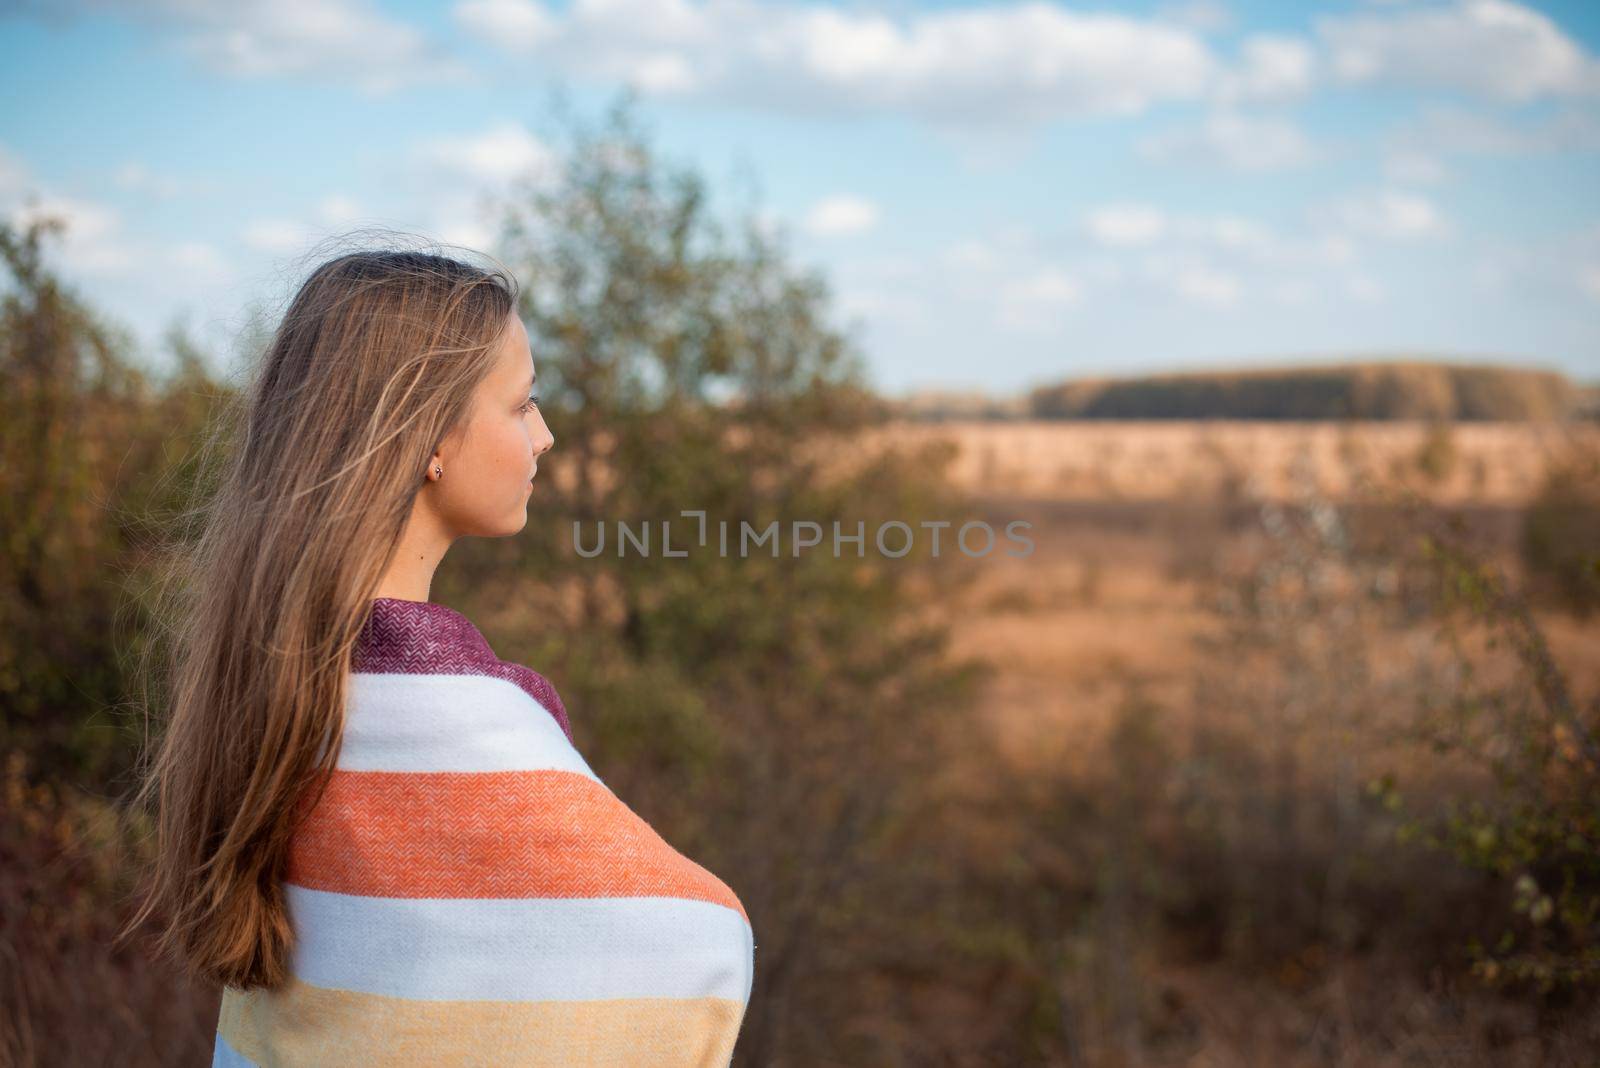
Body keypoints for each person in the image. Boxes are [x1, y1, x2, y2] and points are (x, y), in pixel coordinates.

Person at [125, 246, 755, 1066]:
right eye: (521, 405)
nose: (546, 435)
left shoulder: (265, 675)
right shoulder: (464, 715)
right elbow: (694, 943)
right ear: (430, 436)